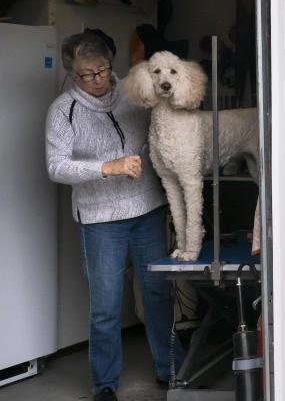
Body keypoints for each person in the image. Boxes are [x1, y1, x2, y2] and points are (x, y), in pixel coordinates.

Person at [45, 30, 183, 401]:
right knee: (105, 306)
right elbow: (56, 167)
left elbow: (163, 125)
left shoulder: (134, 92)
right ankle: (104, 385)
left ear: (111, 64)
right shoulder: (63, 110)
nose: (96, 80)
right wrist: (107, 167)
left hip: (147, 209)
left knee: (157, 294)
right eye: (86, 75)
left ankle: (171, 371)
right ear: (73, 74)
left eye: (102, 70)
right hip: (99, 218)